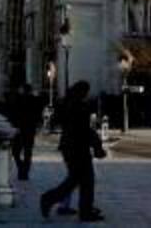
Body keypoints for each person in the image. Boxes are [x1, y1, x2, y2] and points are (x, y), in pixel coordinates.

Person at [40, 80, 105, 222]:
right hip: (78, 148)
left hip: (69, 147)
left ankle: (82, 209)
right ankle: (52, 199)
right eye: (86, 92)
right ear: (83, 92)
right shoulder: (80, 106)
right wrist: (97, 147)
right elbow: (85, 130)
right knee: (85, 181)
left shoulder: (66, 104)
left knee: (76, 180)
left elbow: (58, 122)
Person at [9, 82, 43, 181]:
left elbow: (14, 112)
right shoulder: (24, 99)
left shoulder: (22, 100)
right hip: (26, 128)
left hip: (24, 128)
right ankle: (23, 169)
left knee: (20, 151)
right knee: (22, 151)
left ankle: (23, 169)